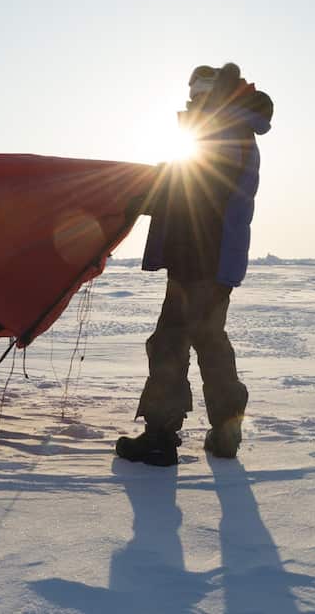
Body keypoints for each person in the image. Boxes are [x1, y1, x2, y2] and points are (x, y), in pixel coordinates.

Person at [117, 62, 273, 466]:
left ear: (208, 92)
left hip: (199, 260)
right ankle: (226, 430)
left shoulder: (220, 128)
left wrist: (141, 190)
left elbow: (192, 191)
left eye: (195, 93)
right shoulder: (232, 128)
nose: (190, 100)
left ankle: (160, 436)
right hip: (214, 260)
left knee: (170, 343)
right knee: (210, 341)